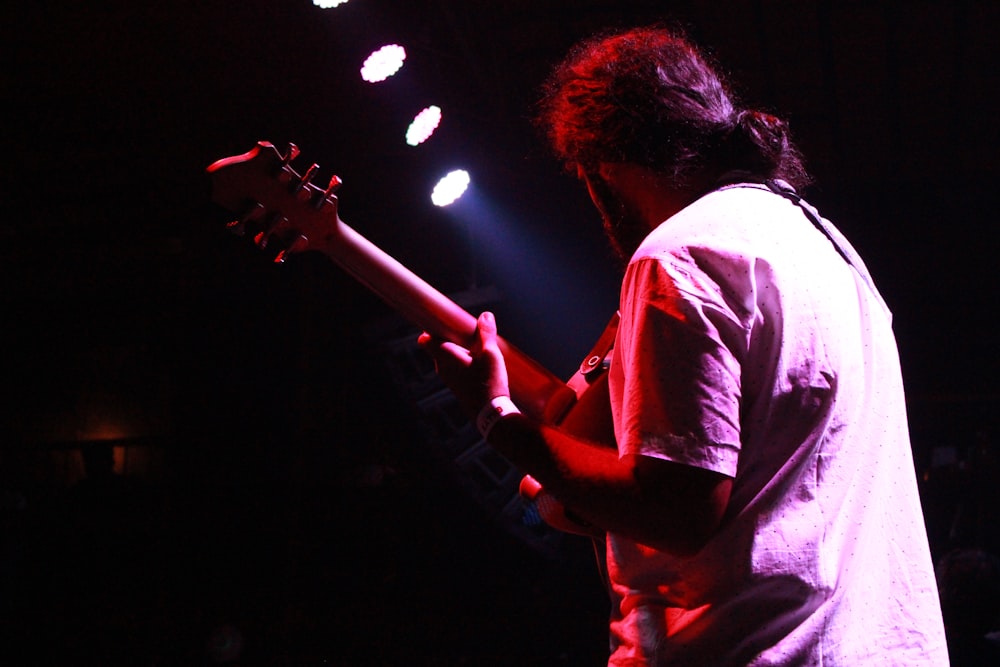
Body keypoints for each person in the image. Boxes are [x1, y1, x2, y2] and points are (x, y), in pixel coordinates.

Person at [418, 25, 949, 665]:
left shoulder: (680, 255)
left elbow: (678, 511)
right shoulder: (834, 252)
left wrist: (496, 415)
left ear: (602, 168)